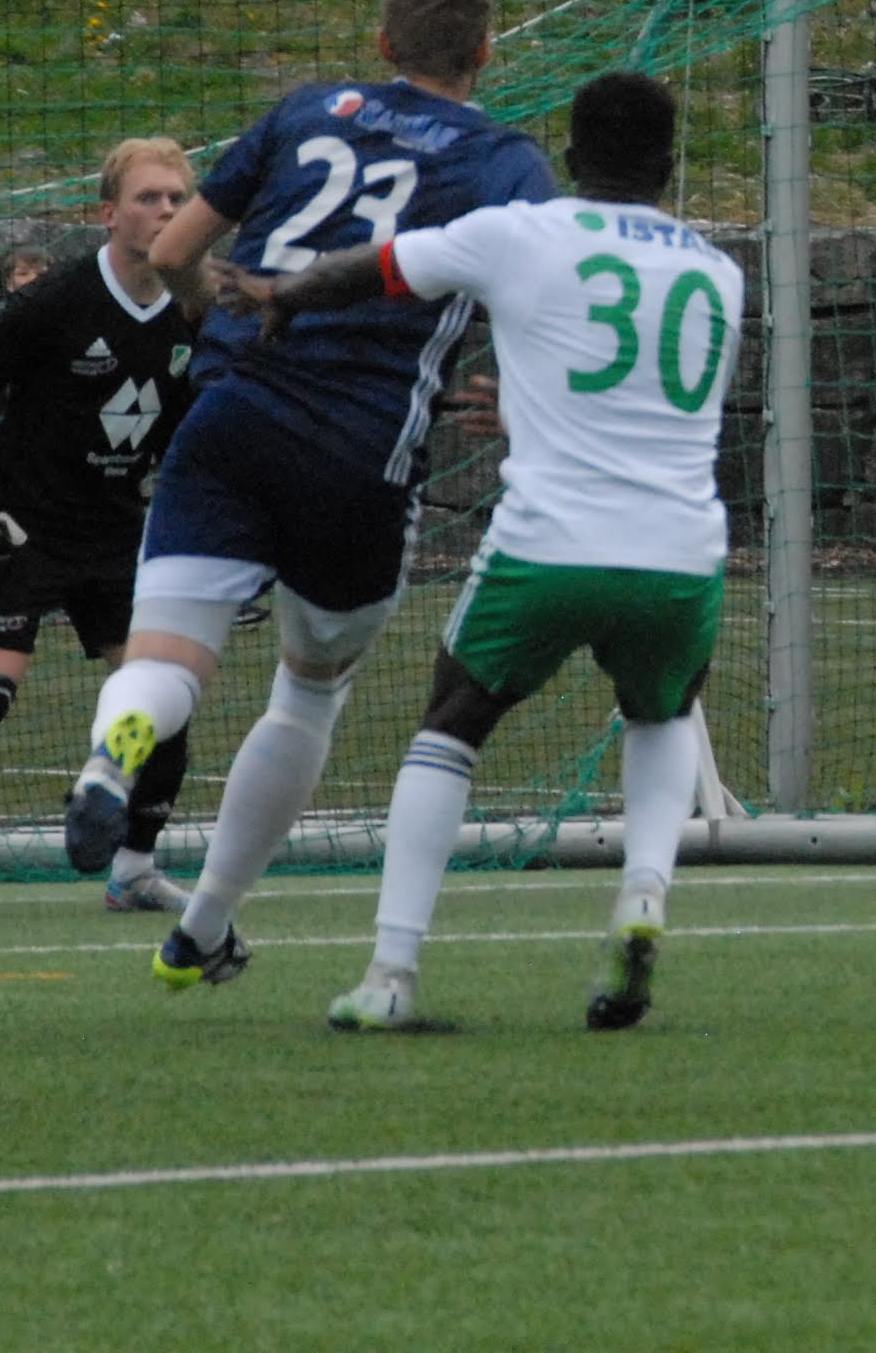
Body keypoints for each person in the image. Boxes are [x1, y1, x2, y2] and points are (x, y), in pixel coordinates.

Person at [63, 0, 551, 994]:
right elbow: (542, 300)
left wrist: (222, 317)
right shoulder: (506, 161)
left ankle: (113, 753)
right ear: (484, 53)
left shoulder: (304, 110)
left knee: (166, 658)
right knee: (309, 689)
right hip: (359, 449)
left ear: (380, 42)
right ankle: (201, 926)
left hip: (231, 415)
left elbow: (169, 254)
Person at [220, 70, 737, 1033]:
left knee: (451, 723)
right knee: (663, 711)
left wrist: (281, 293)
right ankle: (643, 892)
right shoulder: (718, 269)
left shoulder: (518, 231)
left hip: (549, 544)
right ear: (669, 166)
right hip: (680, 552)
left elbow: (374, 267)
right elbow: (649, 402)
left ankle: (391, 972)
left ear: (570, 157)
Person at [0, 141, 203, 919]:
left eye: (178, 198)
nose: (165, 211)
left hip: (117, 534)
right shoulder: (57, 299)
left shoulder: (197, 307)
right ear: (108, 213)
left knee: (165, 704)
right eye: (149, 197)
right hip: (22, 532)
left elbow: (192, 420)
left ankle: (134, 870)